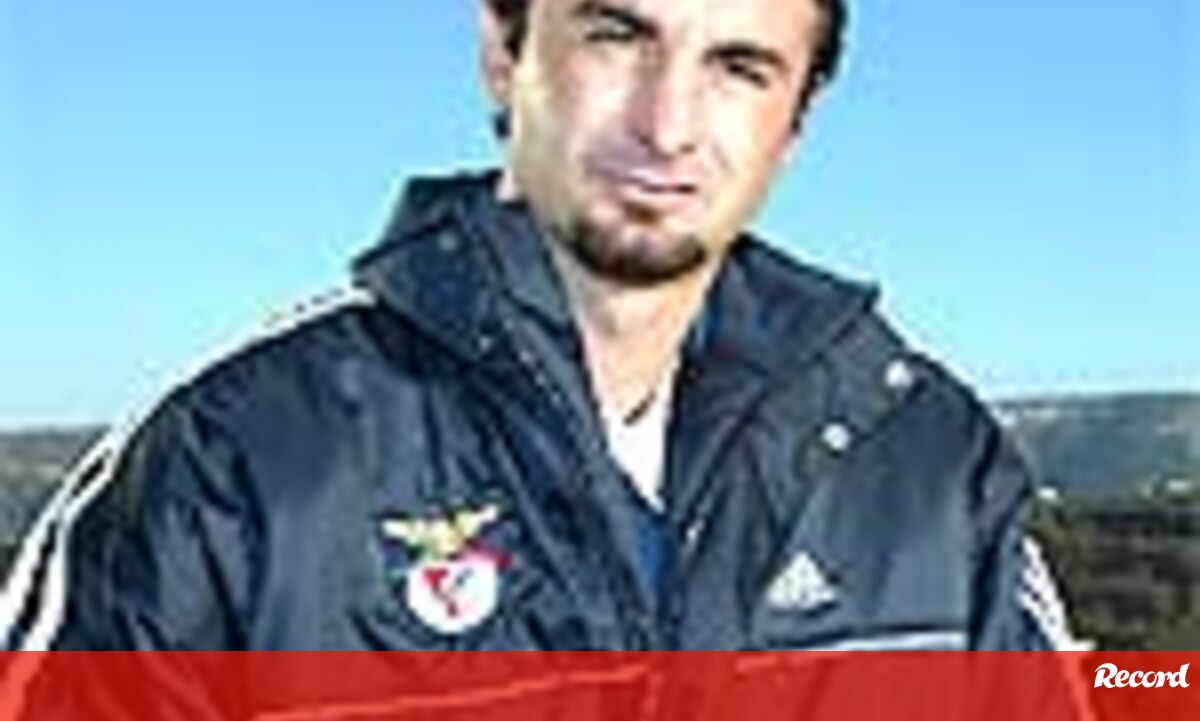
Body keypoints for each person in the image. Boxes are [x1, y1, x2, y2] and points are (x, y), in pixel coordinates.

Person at [1, 0, 1078, 652]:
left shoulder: (931, 462)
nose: (667, 124)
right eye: (617, 34)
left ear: (795, 119)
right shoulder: (231, 457)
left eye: (739, 66)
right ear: (503, 52)